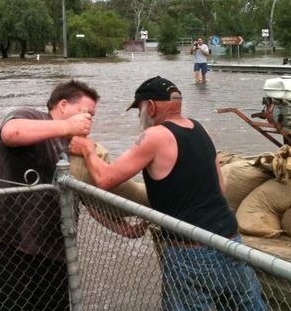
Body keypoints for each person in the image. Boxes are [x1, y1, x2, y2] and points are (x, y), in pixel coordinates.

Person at [69, 76, 267, 311]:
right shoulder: (200, 128)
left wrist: (88, 149)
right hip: (230, 241)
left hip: (190, 252)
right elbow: (220, 188)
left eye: (139, 108)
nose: (138, 115)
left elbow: (105, 179)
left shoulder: (155, 136)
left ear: (151, 106)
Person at [0, 80, 98, 311]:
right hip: (5, 240)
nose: (88, 120)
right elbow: (11, 133)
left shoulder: (75, 145)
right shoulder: (31, 116)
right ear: (63, 105)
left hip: (51, 251)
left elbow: (86, 196)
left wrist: (122, 227)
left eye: (92, 116)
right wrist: (68, 127)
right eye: (84, 112)